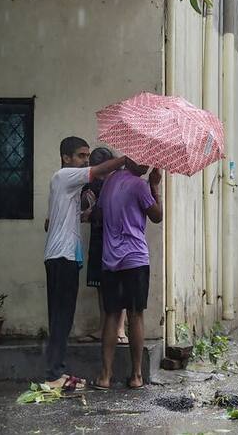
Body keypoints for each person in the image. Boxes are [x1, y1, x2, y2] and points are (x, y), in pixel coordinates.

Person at [43, 137, 126, 390]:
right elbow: (100, 170)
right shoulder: (64, 176)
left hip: (63, 256)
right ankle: (54, 375)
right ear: (66, 158)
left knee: (62, 317)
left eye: (87, 155)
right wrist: (126, 159)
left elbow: (50, 223)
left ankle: (56, 371)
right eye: (81, 155)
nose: (86, 160)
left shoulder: (65, 184)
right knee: (61, 317)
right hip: (62, 257)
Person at [92, 158, 162, 390]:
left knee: (112, 315)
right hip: (135, 259)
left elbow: (99, 213)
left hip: (110, 259)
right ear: (131, 158)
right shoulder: (140, 185)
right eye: (144, 161)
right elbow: (157, 215)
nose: (147, 165)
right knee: (135, 315)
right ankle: (136, 375)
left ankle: (105, 376)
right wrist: (155, 186)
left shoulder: (111, 181)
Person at [78, 148, 128, 345]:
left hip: (119, 237)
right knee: (100, 284)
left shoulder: (121, 182)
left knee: (121, 282)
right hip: (99, 236)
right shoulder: (91, 183)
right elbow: (85, 211)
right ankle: (103, 327)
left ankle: (121, 328)